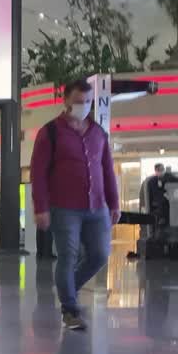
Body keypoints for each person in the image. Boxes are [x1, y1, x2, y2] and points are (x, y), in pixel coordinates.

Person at [31, 78, 120, 331]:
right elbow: (38, 173)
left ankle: (68, 288)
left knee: (100, 254)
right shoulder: (50, 133)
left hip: (97, 206)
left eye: (88, 102)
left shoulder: (98, 132)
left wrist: (114, 203)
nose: (84, 106)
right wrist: (41, 207)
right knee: (68, 256)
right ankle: (70, 309)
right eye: (79, 102)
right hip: (64, 207)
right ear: (66, 101)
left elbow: (107, 170)